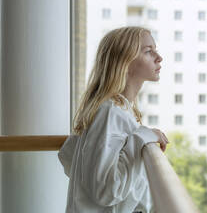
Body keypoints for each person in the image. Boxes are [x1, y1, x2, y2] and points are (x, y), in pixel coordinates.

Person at [58, 26, 169, 213]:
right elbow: (105, 191)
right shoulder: (110, 112)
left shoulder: (118, 110)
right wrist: (142, 137)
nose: (159, 57)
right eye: (148, 51)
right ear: (124, 62)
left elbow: (69, 156)